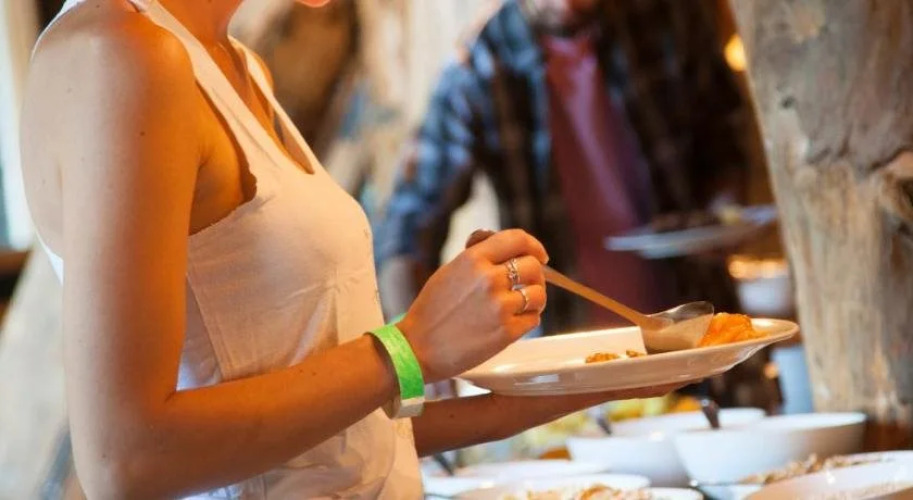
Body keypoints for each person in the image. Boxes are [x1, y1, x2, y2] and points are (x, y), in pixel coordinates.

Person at [21, 0, 680, 498]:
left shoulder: (236, 64)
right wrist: (410, 346)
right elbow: (126, 459)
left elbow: (333, 435)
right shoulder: (123, 52)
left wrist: (590, 382)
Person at [378, 0, 749, 334]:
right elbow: (407, 227)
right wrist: (415, 345)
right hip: (567, 357)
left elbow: (726, 138)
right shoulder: (478, 70)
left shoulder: (668, 18)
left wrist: (722, 216)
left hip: (696, 328)